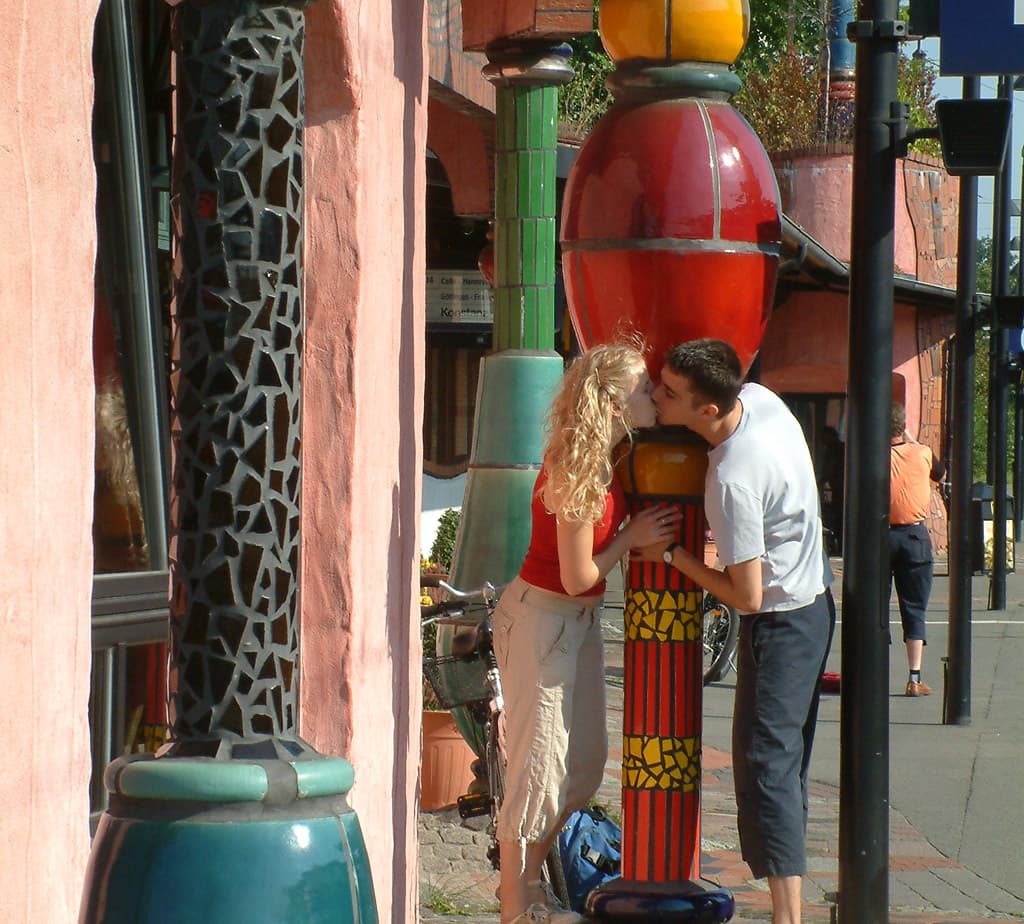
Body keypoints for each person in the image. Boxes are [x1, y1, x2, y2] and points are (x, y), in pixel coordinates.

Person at [639, 338, 833, 924]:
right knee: (783, 762)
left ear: (707, 412)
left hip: (776, 623)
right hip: (814, 604)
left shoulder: (730, 477)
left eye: (669, 393)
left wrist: (670, 553)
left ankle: (786, 915)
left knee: (766, 765)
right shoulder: (762, 400)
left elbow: (744, 594)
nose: (655, 395)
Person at [493, 343, 680, 924]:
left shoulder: (606, 456)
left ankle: (525, 889)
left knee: (583, 766)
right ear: (614, 400)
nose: (653, 397)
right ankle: (516, 901)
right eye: (645, 389)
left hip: (572, 622)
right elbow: (577, 576)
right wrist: (631, 535)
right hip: (546, 619)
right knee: (540, 771)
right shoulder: (579, 466)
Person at [889, 402, 945, 697]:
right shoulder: (922, 452)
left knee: (875, 607)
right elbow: (941, 474)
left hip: (880, 536)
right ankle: (914, 677)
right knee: (914, 608)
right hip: (914, 535)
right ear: (903, 426)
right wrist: (910, 438)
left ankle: (872, 672)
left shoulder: (875, 455)